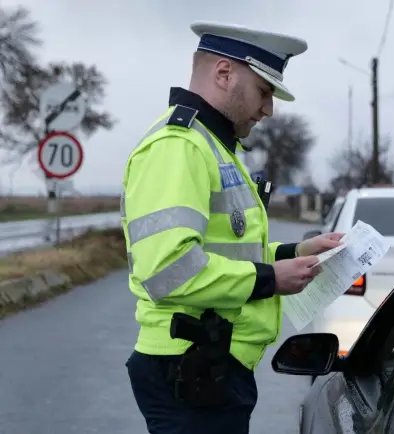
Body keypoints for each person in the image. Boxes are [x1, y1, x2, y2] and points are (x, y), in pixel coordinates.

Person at [121, 21, 343, 434]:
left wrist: (295, 253)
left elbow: (224, 252)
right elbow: (168, 269)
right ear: (224, 74)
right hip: (188, 367)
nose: (268, 110)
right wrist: (270, 279)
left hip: (208, 366)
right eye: (264, 91)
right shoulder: (179, 147)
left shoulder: (213, 146)